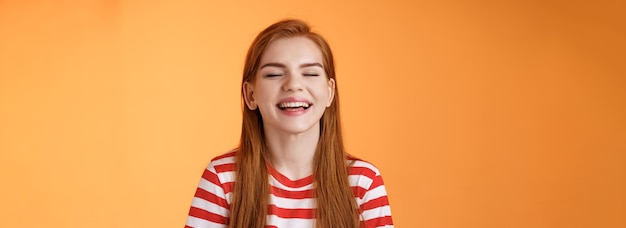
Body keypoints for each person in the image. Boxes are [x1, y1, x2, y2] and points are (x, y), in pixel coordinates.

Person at [185, 19, 393, 228]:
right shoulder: (221, 178)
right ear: (250, 95)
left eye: (310, 73)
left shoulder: (363, 183)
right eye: (274, 74)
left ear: (329, 92)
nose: (293, 85)